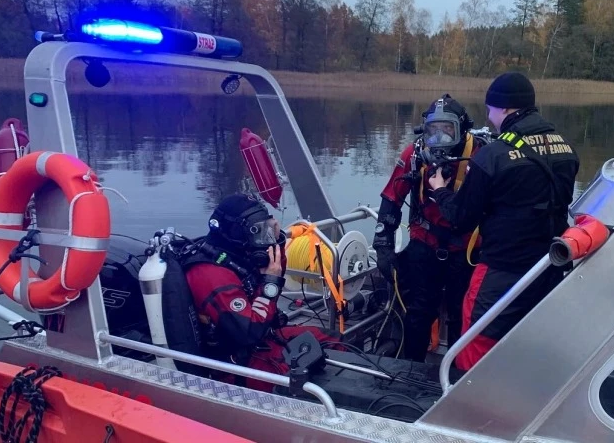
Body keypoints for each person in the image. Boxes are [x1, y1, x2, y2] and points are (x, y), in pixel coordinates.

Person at [427, 72, 580, 370]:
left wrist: (440, 190)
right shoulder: (565, 148)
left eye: (490, 109)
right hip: (548, 268)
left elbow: (460, 217)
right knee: (527, 336)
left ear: (505, 109)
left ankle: (463, 401)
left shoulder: (493, 156)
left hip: (501, 270)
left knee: (475, 337)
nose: (489, 116)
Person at [183, 193, 338, 391]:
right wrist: (269, 282)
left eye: (266, 229)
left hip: (260, 340)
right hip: (236, 365)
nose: (263, 239)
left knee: (332, 339)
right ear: (238, 233)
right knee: (307, 374)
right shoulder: (211, 274)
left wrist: (277, 239)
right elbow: (248, 332)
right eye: (257, 231)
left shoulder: (236, 255)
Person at [373, 94, 487, 362]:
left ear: (462, 130)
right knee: (418, 312)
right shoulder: (414, 155)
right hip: (425, 245)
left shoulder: (481, 155)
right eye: (433, 131)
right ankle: (411, 372)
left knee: (463, 314)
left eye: (448, 131)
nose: (440, 139)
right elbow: (391, 199)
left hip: (466, 250)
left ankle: (458, 375)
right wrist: (383, 245)